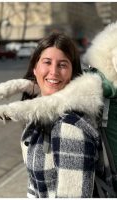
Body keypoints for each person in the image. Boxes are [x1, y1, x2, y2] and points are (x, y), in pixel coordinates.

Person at [20, 32, 102, 197]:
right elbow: (35, 183)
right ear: (35, 68)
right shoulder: (41, 114)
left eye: (62, 65)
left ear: (72, 75)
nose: (54, 72)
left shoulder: (69, 127)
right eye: (47, 62)